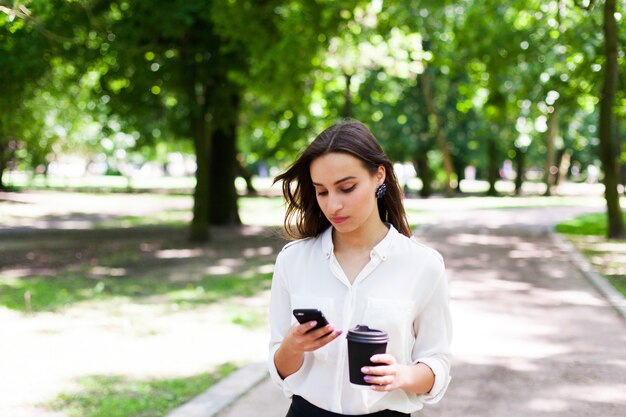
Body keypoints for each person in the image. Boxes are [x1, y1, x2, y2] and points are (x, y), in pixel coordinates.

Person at [268, 119, 452, 416]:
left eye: (346, 188)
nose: (333, 206)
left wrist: (402, 375)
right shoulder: (293, 260)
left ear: (379, 175)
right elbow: (280, 369)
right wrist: (292, 345)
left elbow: (437, 362)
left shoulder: (423, 265)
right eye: (322, 191)